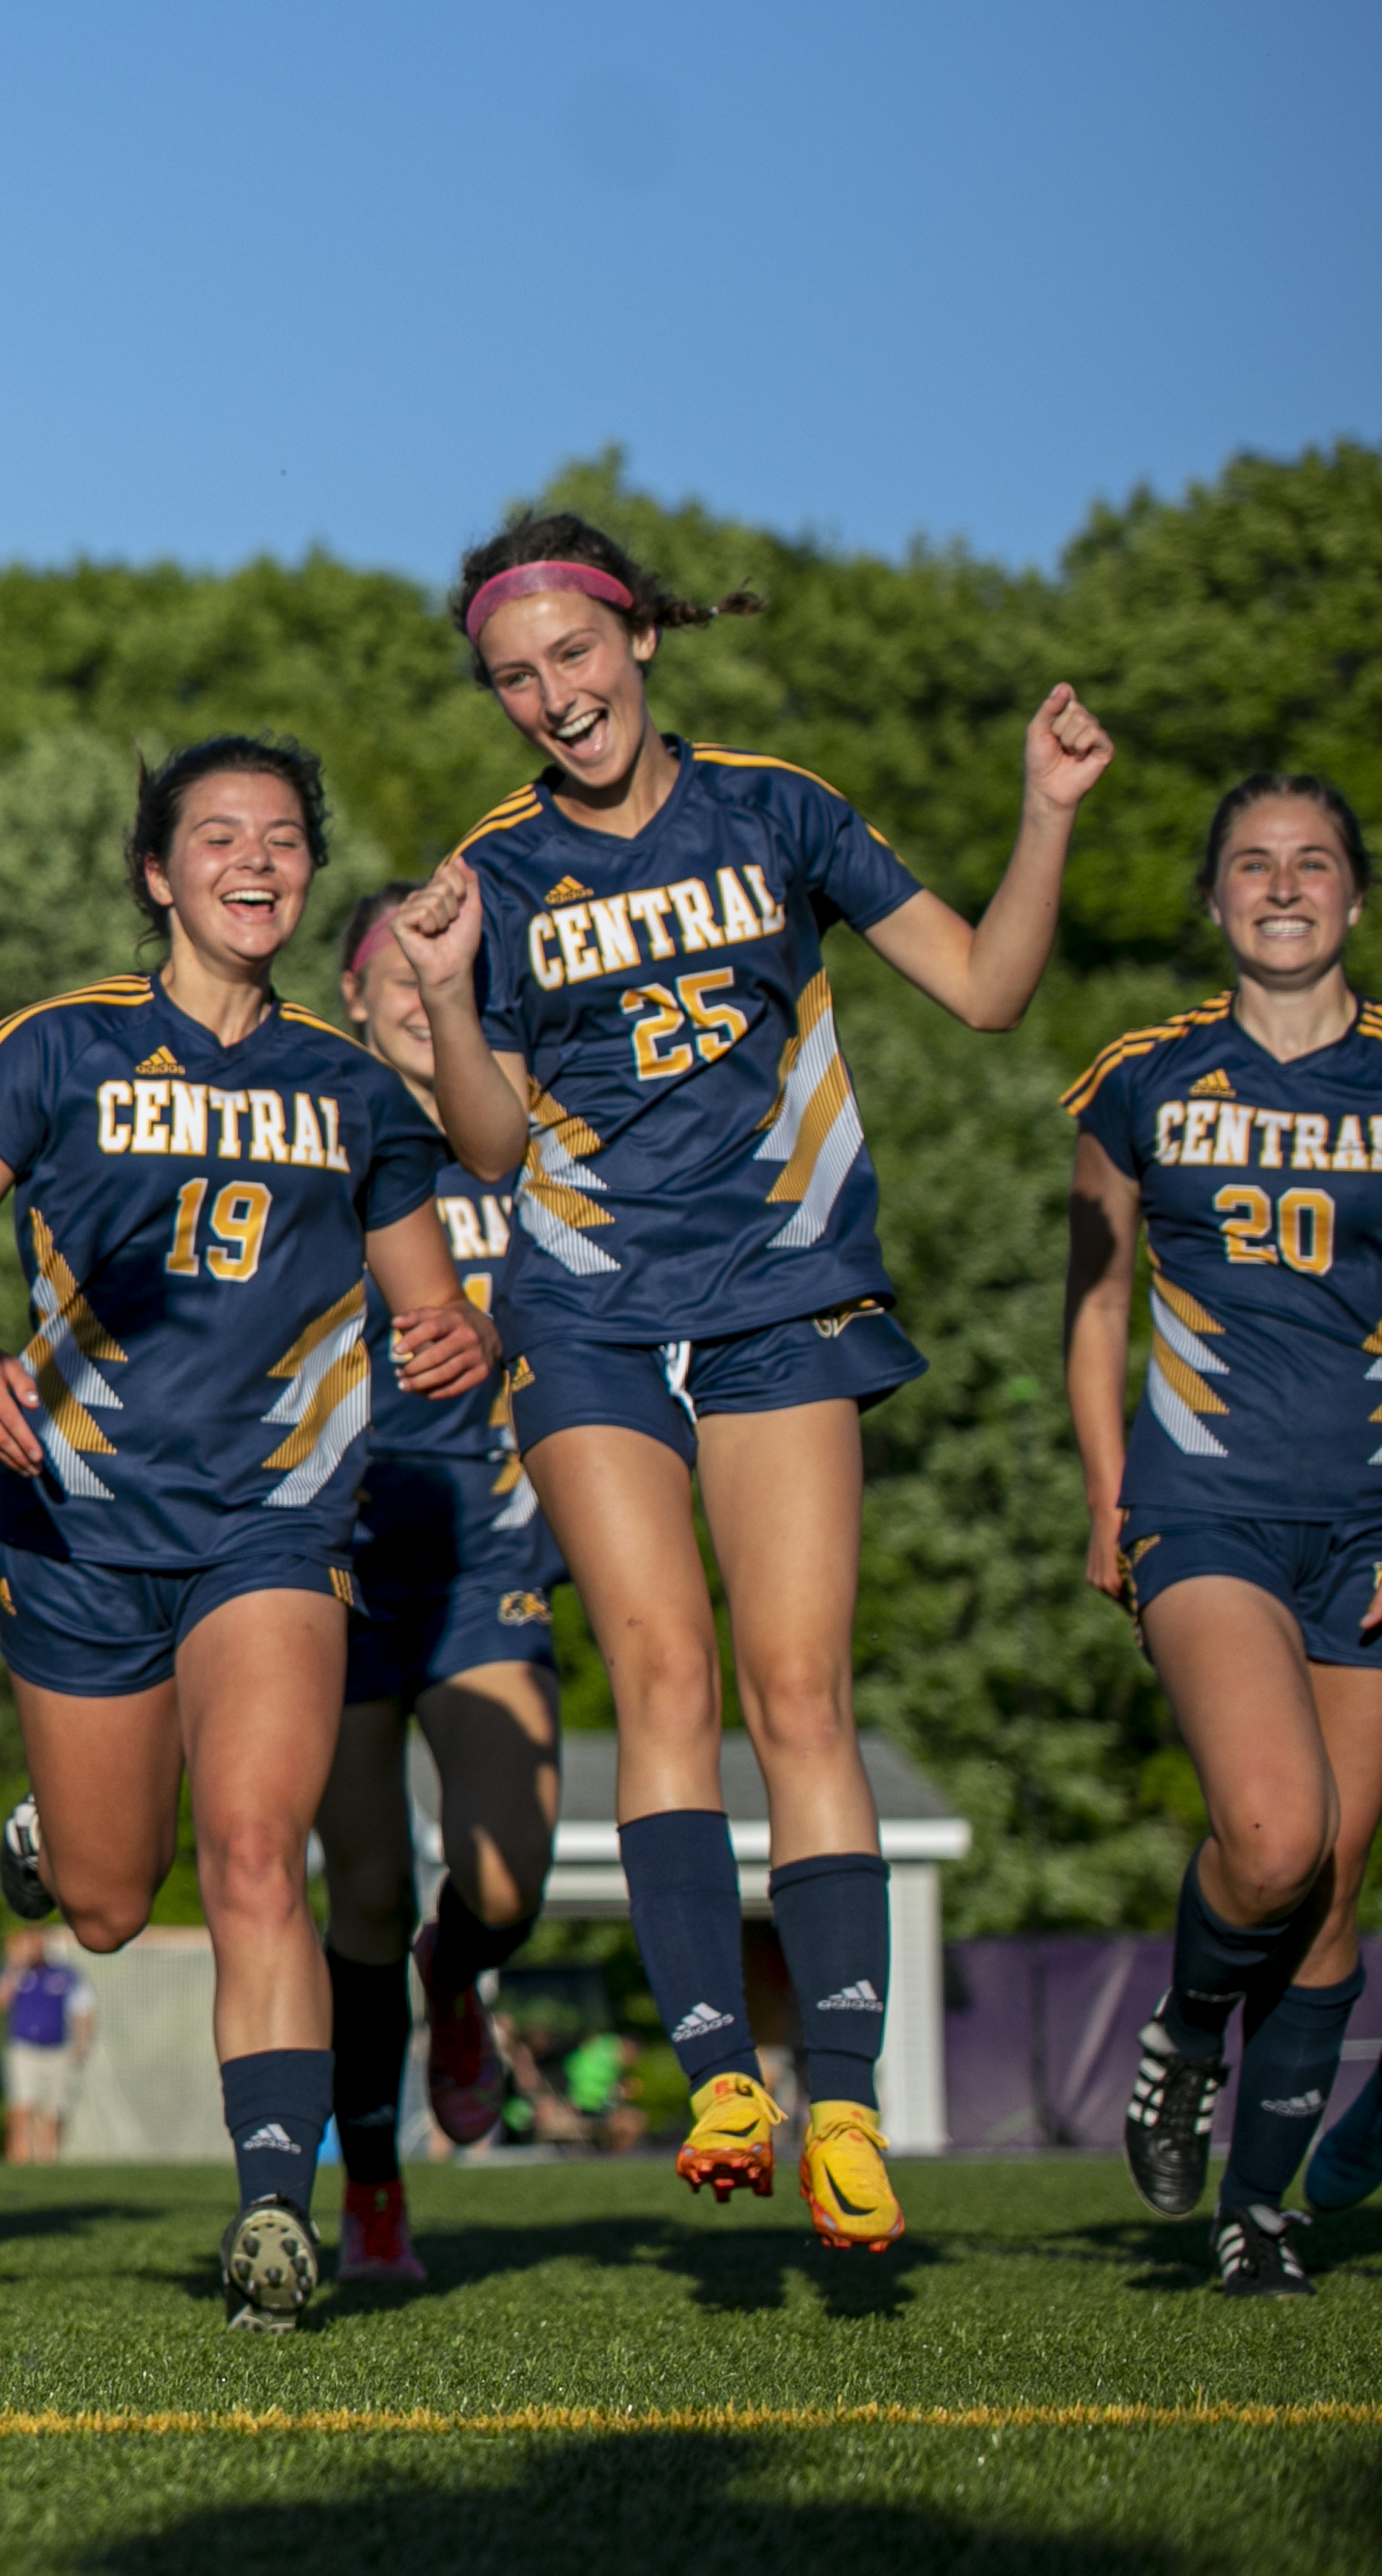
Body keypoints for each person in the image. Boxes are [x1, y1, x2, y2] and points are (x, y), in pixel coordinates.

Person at [391, 512, 1113, 2254]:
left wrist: (1047, 812)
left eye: (575, 654)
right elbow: (484, 1142)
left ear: (639, 638)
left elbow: (991, 990)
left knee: (799, 1684)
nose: (554, 697)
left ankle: (843, 2101)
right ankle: (720, 2067)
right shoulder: (494, 871)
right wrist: (442, 1002)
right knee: (662, 1664)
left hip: (787, 1293)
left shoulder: (780, 807)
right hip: (585, 1308)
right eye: (515, 678)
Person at [0, 739, 488, 2332]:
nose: (258, 860)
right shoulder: (57, 1048)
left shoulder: (356, 1092)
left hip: (276, 1525)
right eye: (221, 835)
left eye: (285, 837)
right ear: (160, 872)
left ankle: (274, 2208)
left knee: (255, 1851)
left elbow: (430, 1305)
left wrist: (453, 1339)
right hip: (78, 1522)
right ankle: (56, 1829)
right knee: (105, 1905)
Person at [1063, 773, 1382, 2299]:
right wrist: (1104, 1489)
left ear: (1353, 900)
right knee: (1271, 1831)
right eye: (1250, 863)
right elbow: (1097, 1302)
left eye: (1312, 862)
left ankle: (1258, 2213)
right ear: (1210, 900)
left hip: (1368, 1523)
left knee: (1333, 1884)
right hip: (1202, 1508)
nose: (1281, 884)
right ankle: (1186, 2032)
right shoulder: (1140, 1077)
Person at [310, 886, 571, 2288]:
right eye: (387, 970)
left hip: (488, 1553)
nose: (414, 988)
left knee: (502, 1879)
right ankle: (372, 2187)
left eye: (436, 964)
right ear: (350, 996)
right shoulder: (309, 1132)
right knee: (359, 1885)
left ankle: (458, 1972)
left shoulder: (530, 1152)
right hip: (335, 1562)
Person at [0, 1928, 96, 2163]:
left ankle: (49, 2160)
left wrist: (82, 2043)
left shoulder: (65, 1974)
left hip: (57, 2050)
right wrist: (15, 1965)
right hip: (23, 2048)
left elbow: (83, 2009)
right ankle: (20, 2159)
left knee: (53, 2110)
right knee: (22, 2106)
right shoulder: (16, 1973)